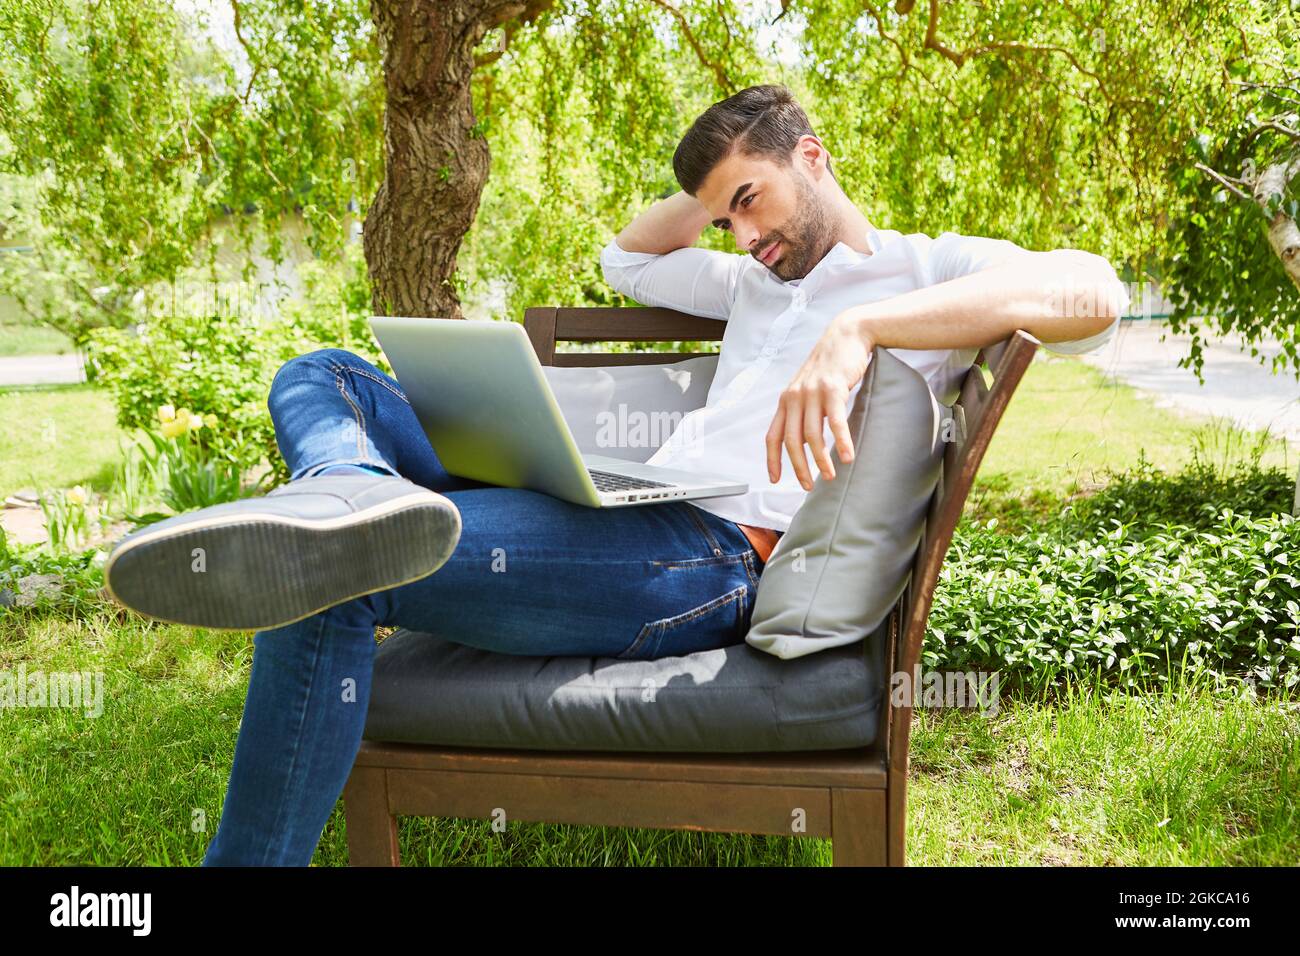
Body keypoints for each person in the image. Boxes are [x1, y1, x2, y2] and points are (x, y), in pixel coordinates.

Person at [104, 82, 1127, 866]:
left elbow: (1094, 287)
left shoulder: (922, 270)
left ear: (812, 157)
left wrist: (860, 327)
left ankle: (341, 531)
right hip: (618, 510)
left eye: (750, 200)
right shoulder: (754, 281)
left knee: (324, 572)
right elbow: (627, 258)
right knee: (324, 373)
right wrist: (720, 194)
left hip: (703, 558)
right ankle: (350, 488)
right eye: (726, 215)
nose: (742, 233)